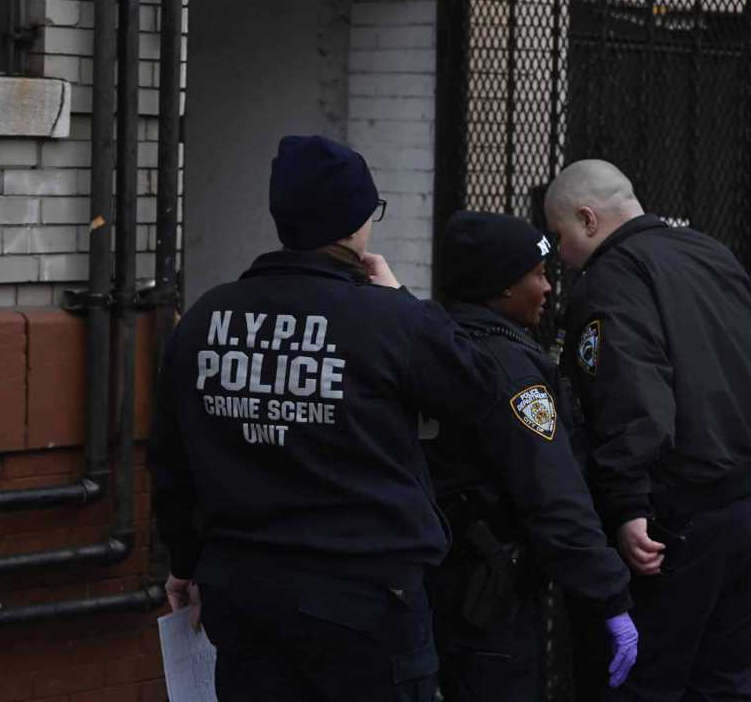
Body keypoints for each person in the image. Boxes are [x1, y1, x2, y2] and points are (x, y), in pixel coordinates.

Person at [149, 135, 505, 702]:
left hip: (244, 594)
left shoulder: (203, 319)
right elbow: (479, 391)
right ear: (356, 222)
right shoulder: (389, 319)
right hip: (365, 600)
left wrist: (185, 560)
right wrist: (402, 297)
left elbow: (171, 460)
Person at [543, 159, 751, 701]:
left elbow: (632, 394)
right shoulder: (710, 252)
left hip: (692, 509)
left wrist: (627, 504)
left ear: (588, 219)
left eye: (560, 236)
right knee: (725, 681)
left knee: (645, 682)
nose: (559, 255)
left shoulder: (609, 281)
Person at [425, 210, 638, 702]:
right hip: (489, 605)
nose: (547, 288)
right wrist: (610, 595)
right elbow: (553, 491)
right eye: (537, 275)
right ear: (501, 287)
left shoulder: (433, 342)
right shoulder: (510, 371)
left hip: (434, 590)